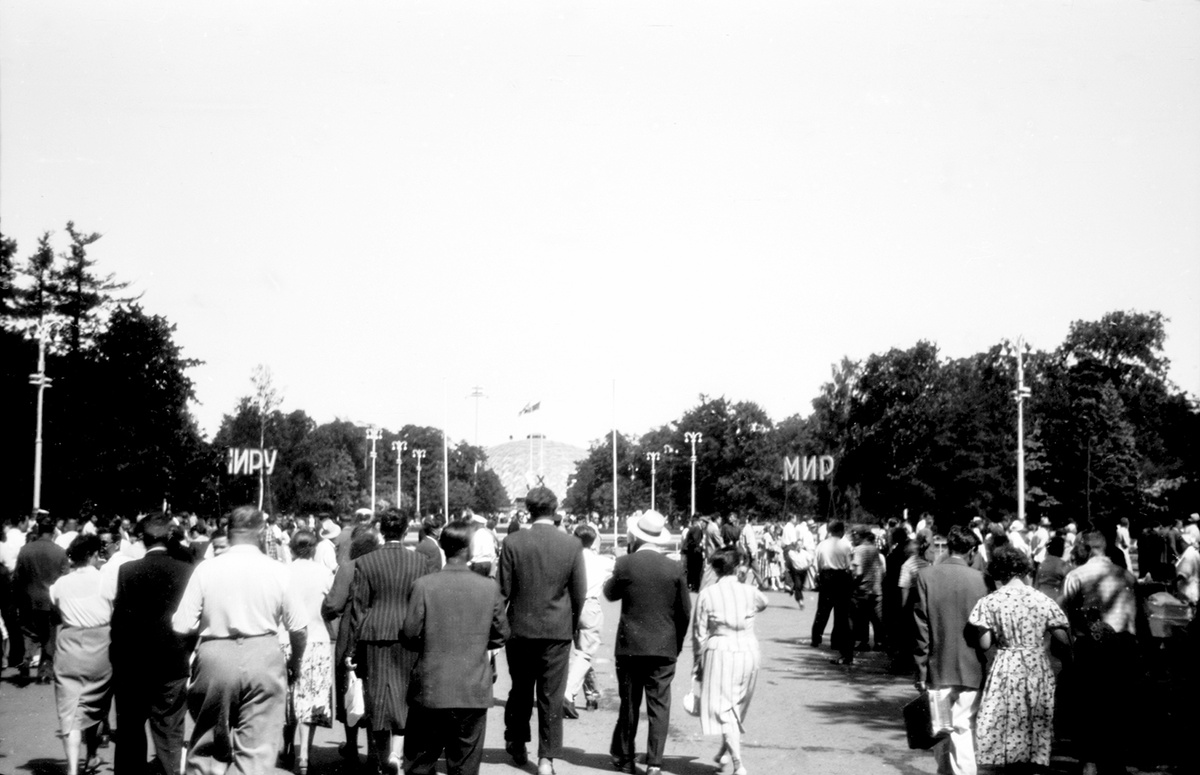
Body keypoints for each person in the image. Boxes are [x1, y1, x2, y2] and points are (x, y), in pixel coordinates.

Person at [171, 505, 308, 775]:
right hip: (264, 655)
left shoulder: (206, 569)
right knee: (257, 748)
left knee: (207, 743)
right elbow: (299, 628)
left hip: (215, 655)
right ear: (262, 531)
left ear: (228, 531)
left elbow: (182, 624)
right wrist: (295, 661)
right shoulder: (278, 570)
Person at [401, 520, 509, 775]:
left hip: (431, 686)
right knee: (465, 765)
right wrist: (476, 643)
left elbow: (409, 633)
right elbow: (502, 633)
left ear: (442, 546)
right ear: (469, 549)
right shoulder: (488, 587)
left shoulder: (424, 585)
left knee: (419, 763)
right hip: (471, 688)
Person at [497, 486, 586, 775]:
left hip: (520, 629)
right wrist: (571, 626)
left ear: (528, 511)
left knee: (520, 689)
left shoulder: (513, 542)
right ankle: (547, 758)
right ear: (555, 510)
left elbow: (502, 591)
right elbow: (579, 593)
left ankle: (516, 740)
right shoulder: (571, 544)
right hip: (557, 630)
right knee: (551, 696)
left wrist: (500, 628)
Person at [603, 511, 691, 775]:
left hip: (630, 645)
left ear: (635, 537)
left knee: (629, 703)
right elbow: (684, 612)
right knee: (659, 705)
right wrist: (676, 643)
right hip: (664, 645)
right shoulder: (674, 567)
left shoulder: (625, 563)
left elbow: (609, 593)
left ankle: (625, 757)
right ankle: (654, 762)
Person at [346, 509, 433, 774]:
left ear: (381, 531)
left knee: (377, 697)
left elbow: (359, 609)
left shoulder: (366, 562)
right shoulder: (420, 562)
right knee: (405, 696)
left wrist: (352, 649)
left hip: (375, 635)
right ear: (406, 530)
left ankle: (384, 757)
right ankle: (397, 754)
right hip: (409, 636)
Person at [968, 545, 1070, 771]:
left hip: (1006, 664)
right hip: (1035, 664)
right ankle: (1032, 763)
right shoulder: (1041, 599)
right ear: (1023, 569)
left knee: (1006, 717)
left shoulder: (990, 602)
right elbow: (1063, 638)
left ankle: (1008, 763)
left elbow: (984, 644)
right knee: (1034, 718)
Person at [111, 514, 195, 775]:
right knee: (169, 730)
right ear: (169, 537)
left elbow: (119, 621)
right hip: (173, 661)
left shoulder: (127, 571)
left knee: (130, 730)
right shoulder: (186, 571)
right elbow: (191, 619)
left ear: (143, 539)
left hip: (133, 663)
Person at [1060, 531, 1139, 775]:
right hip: (1123, 648)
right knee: (1116, 706)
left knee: (1088, 707)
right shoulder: (1126, 576)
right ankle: (1115, 762)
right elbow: (1139, 616)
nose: (1074, 551)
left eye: (1077, 547)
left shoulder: (1076, 576)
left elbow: (1062, 615)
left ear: (1086, 549)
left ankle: (1090, 762)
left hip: (1090, 649)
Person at [913, 525, 988, 775]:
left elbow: (921, 628)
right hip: (972, 668)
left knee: (941, 727)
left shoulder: (926, 576)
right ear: (972, 551)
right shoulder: (982, 580)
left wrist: (920, 669)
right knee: (963, 727)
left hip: (937, 668)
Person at [692, 547, 768, 775]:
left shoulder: (707, 594)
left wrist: (698, 662)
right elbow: (763, 603)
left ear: (715, 569)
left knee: (724, 709)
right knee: (737, 704)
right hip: (748, 650)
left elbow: (699, 633)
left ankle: (738, 764)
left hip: (720, 651)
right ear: (737, 567)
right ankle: (725, 752)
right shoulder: (750, 591)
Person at [48, 535, 115, 775]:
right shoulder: (106, 580)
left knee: (70, 711)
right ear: (94, 555)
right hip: (101, 648)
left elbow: (55, 610)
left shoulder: (60, 584)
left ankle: (73, 768)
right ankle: (92, 754)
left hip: (70, 648)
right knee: (96, 706)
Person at [322, 523, 380, 764]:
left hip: (350, 634)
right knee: (374, 690)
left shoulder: (348, 567)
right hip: (377, 634)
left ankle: (352, 746)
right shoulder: (381, 565)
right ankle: (375, 752)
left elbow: (333, 604)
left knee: (349, 687)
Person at [286, 528, 336, 775]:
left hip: (287, 641)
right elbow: (333, 606)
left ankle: (288, 746)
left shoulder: (284, 572)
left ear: (292, 549)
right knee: (313, 698)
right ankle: (305, 752)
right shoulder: (324, 573)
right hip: (317, 639)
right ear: (314, 549)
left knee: (290, 698)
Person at [564, 523, 615, 717]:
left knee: (579, 653)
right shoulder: (601, 562)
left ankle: (591, 693)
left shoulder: (569, 559)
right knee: (585, 652)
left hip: (569, 606)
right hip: (590, 606)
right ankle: (569, 692)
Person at [14, 510, 69, 684]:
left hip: (28, 599)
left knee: (28, 633)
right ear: (53, 531)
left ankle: (26, 659)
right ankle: (45, 670)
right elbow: (65, 578)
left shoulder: (25, 550)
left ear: (38, 529)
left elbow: (17, 577)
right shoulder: (60, 552)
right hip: (50, 601)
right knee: (49, 636)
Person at [810, 520, 854, 665]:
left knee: (823, 609)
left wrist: (819, 574)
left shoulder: (822, 545)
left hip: (826, 576)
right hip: (841, 577)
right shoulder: (846, 545)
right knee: (840, 612)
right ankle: (836, 641)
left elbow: (816, 563)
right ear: (841, 531)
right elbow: (849, 565)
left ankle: (816, 637)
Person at [851, 525, 884, 652]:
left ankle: (863, 642)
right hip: (875, 588)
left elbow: (858, 572)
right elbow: (880, 569)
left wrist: (853, 583)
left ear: (859, 536)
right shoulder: (874, 549)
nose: (853, 538)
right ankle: (879, 642)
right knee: (876, 618)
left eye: (854, 535)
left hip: (863, 589)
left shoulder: (858, 550)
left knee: (862, 617)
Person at [1033, 534, 1070, 603]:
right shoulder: (1063, 565)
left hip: (1040, 595)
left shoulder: (1043, 563)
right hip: (1055, 598)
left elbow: (1036, 584)